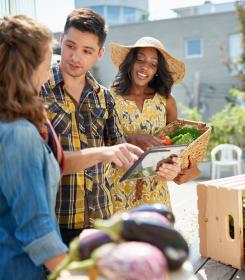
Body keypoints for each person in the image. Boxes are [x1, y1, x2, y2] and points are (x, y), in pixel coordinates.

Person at [40, 8, 181, 246]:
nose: (75, 57)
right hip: (55, 219)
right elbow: (38, 161)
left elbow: (119, 155)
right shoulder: (39, 90)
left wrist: (165, 164)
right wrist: (108, 151)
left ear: (99, 54)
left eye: (87, 51)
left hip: (101, 218)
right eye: (71, 46)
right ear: (61, 41)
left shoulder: (103, 98)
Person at [0, 15, 68, 279]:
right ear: (29, 67)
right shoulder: (19, 135)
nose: (51, 71)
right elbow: (37, 231)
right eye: (49, 60)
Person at [107, 36, 201, 213]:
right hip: (117, 194)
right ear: (130, 62)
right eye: (140, 60)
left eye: (152, 64)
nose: (145, 67)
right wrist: (131, 139)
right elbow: (99, 144)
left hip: (156, 196)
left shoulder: (166, 102)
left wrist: (184, 167)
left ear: (157, 70)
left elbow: (177, 149)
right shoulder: (108, 98)